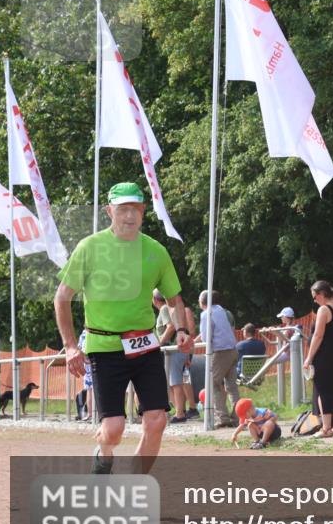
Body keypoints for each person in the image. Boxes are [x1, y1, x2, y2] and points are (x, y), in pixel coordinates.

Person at [54, 182, 193, 474]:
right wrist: (70, 346)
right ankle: (103, 453)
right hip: (105, 349)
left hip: (145, 345)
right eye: (123, 209)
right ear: (109, 211)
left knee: (156, 420)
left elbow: (174, 298)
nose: (130, 216)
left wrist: (181, 330)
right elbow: (62, 297)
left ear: (143, 212)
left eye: (137, 209)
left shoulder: (155, 250)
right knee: (114, 429)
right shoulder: (89, 248)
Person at [303, 280, 333, 437]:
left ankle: (326, 428)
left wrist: (309, 357)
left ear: (322, 294)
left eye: (315, 296)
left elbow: (318, 335)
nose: (314, 300)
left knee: (323, 390)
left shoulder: (324, 309)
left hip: (324, 353)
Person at [197, 289, 241, 428]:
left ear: (202, 301)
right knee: (232, 386)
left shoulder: (206, 314)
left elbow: (205, 337)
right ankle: (238, 417)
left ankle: (222, 418)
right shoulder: (222, 311)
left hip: (220, 352)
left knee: (212, 383)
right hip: (233, 350)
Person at [153, 289, 191, 424]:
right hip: (175, 350)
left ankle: (180, 413)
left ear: (155, 300)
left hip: (173, 351)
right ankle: (179, 410)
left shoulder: (164, 309)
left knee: (175, 382)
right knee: (172, 382)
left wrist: (159, 343)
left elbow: (170, 327)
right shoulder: (169, 309)